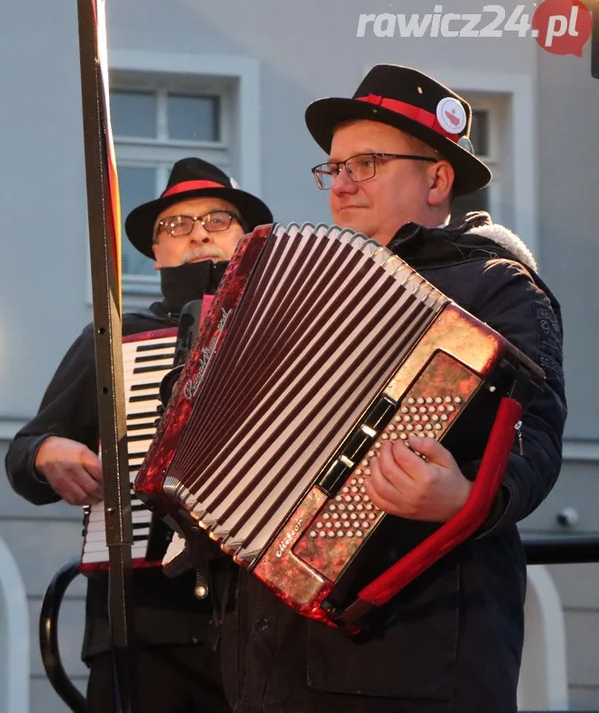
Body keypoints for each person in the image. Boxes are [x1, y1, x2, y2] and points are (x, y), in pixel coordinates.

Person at [210, 64, 566, 712]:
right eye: (333, 167)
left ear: (437, 177)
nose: (341, 183)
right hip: (272, 655)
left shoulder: (498, 286)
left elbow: (534, 439)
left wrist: (467, 497)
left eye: (367, 163)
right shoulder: (303, 288)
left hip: (414, 646)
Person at [6, 158, 274, 712]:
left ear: (248, 241)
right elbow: (23, 455)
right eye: (175, 225)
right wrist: (46, 454)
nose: (198, 232)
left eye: (218, 220)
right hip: (144, 633)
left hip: (269, 632)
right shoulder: (113, 339)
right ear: (155, 253)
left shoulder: (291, 332)